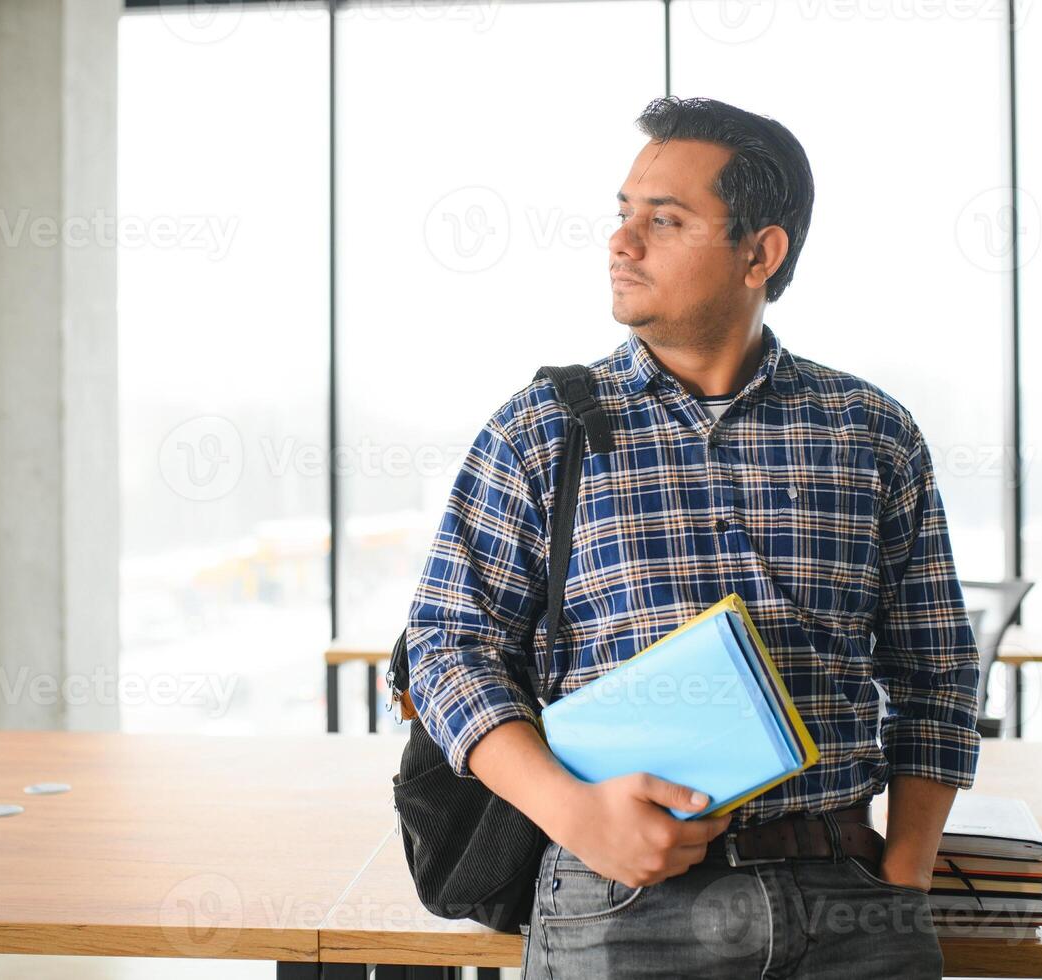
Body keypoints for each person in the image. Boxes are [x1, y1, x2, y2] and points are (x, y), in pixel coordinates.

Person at [405, 95, 980, 980]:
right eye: (623, 214)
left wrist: (901, 876)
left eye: (663, 220)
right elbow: (448, 648)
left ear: (759, 252)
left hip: (849, 904)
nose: (621, 243)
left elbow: (934, 667)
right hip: (620, 906)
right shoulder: (540, 430)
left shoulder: (870, 431)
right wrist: (572, 815)